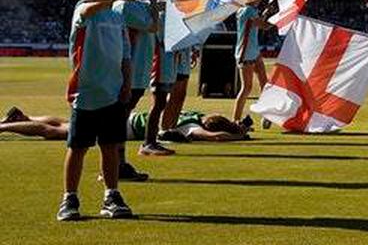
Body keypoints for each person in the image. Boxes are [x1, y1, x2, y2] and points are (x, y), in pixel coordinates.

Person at [58, 0, 136, 222]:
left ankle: (111, 194)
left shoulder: (117, 15)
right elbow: (87, 11)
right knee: (78, 147)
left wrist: (126, 84)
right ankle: (69, 197)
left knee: (110, 147)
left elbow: (125, 54)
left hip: (113, 93)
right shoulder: (83, 9)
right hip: (86, 93)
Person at [112, 0, 157, 181]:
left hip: (137, 74)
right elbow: (152, 26)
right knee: (118, 122)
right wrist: (156, 7)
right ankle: (115, 166)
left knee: (121, 120)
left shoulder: (135, 5)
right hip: (127, 75)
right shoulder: (124, 6)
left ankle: (119, 164)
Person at [2, 107, 247, 143]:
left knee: (65, 121)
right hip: (124, 128)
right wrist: (239, 137)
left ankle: (22, 117)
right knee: (57, 132)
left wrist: (239, 127)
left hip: (126, 116)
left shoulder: (192, 113)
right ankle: (4, 127)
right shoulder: (188, 128)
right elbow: (215, 137)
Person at [140, 0, 182, 158]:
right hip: (160, 65)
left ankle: (152, 140)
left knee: (161, 103)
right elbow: (164, 41)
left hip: (168, 64)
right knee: (158, 103)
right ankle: (148, 142)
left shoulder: (168, 16)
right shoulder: (162, 16)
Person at [233, 0, 273, 130]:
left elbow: (257, 23)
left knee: (263, 86)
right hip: (247, 53)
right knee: (247, 88)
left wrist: (266, 14)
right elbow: (264, 26)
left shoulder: (245, 10)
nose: (259, 0)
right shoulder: (249, 10)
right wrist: (279, 18)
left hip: (252, 52)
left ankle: (265, 116)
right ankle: (236, 121)